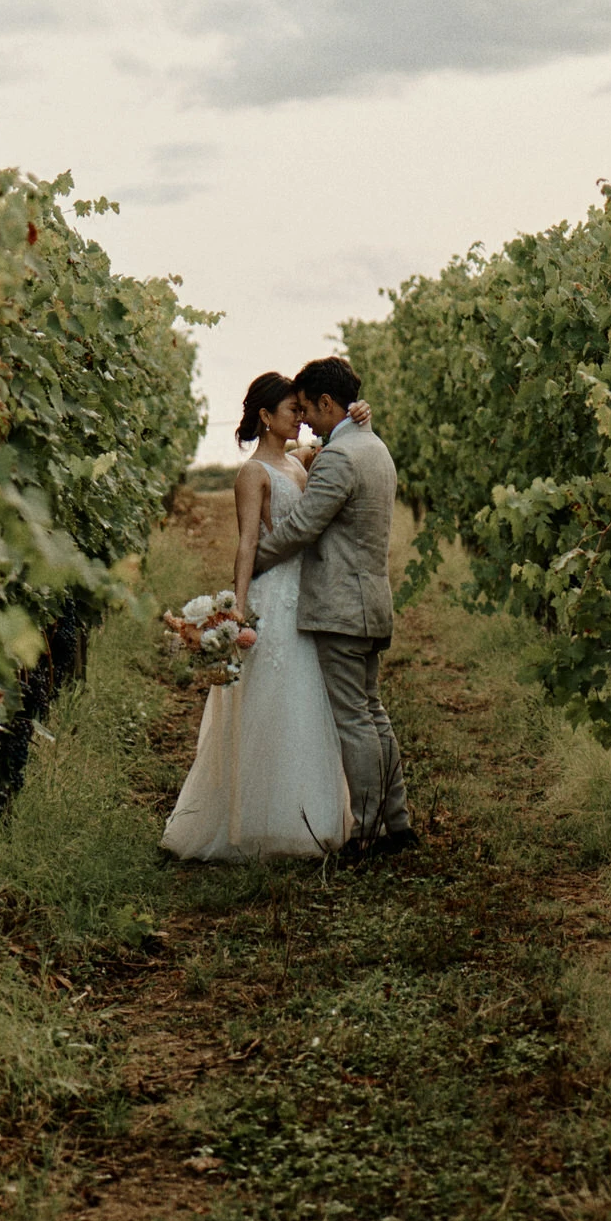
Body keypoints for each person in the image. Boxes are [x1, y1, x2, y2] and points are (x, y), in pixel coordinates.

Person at [161, 372, 358, 861]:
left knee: (306, 701)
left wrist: (358, 414)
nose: (301, 417)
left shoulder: (296, 462)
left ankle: (308, 816)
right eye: (292, 409)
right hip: (274, 595)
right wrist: (240, 607)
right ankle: (262, 821)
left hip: (304, 594)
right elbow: (248, 541)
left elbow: (331, 441)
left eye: (302, 408)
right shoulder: (253, 474)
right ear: (266, 417)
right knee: (273, 699)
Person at [254, 356, 417, 860]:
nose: (305, 420)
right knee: (373, 714)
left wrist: (254, 559)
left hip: (341, 607)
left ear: (328, 403)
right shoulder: (375, 448)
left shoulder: (340, 458)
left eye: (309, 409)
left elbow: (304, 526)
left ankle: (366, 831)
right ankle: (399, 823)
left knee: (355, 720)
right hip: (371, 600)